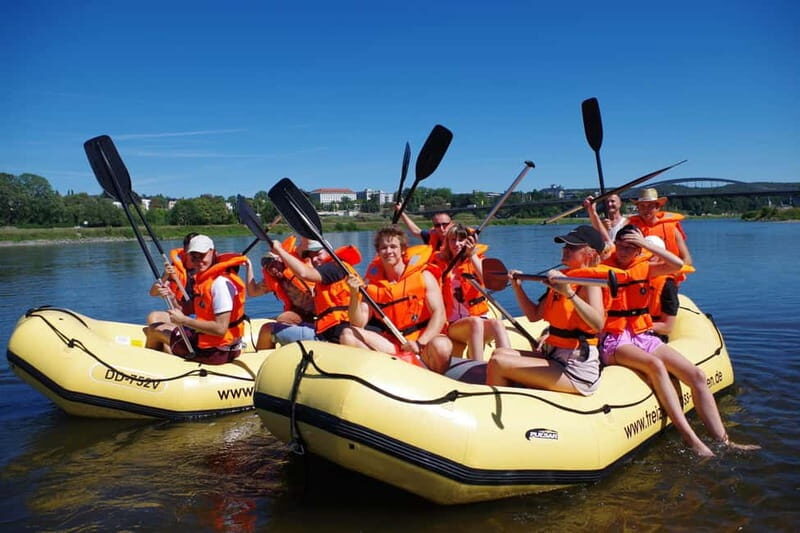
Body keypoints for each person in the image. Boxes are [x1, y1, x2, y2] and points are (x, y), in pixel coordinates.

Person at [601, 224, 759, 456]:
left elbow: (678, 265)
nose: (624, 252)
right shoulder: (603, 269)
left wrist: (644, 243)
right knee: (655, 365)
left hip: (642, 335)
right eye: (621, 246)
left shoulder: (645, 267)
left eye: (631, 248)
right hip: (615, 339)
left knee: (696, 375)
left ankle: (724, 440)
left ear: (638, 251)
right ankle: (692, 440)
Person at [486, 225, 608, 396]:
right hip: (554, 355)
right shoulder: (561, 278)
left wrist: (569, 293)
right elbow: (533, 316)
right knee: (499, 353)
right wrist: (517, 287)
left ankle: (503, 408)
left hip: (575, 368)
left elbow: (598, 324)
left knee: (499, 362)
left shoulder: (590, 283)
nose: (565, 249)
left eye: (572, 247)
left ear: (591, 254)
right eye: (565, 245)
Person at [339, 225, 453, 373]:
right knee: (348, 334)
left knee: (442, 346)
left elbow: (440, 314)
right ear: (379, 252)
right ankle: (386, 376)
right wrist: (354, 295)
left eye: (393, 246)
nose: (388, 251)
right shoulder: (373, 284)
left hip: (423, 340)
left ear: (403, 249)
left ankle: (437, 382)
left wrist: (420, 343)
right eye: (384, 248)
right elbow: (357, 323)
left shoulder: (423, 276)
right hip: (393, 343)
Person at [146, 235, 249, 365]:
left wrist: (184, 320)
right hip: (219, 346)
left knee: (155, 330)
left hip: (214, 353)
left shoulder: (219, 284)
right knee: (162, 324)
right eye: (194, 257)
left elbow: (220, 329)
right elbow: (190, 309)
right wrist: (172, 298)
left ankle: (150, 369)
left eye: (202, 255)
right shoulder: (206, 280)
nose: (198, 261)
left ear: (213, 253)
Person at [431, 223, 510, 360]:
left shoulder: (477, 260)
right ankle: (476, 367)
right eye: (453, 240)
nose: (457, 244)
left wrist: (472, 254)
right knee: (475, 322)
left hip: (478, 318)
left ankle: (509, 363)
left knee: (497, 323)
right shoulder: (440, 263)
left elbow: (486, 281)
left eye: (461, 239)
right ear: (447, 242)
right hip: (454, 323)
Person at [269, 239, 360, 344]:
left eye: (318, 254)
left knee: (269, 329)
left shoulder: (334, 267)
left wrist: (280, 251)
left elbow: (303, 273)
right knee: (285, 319)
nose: (314, 259)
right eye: (311, 257)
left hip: (331, 335)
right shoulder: (332, 270)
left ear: (329, 251)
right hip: (330, 330)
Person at [245, 241, 317, 350]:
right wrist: (248, 266)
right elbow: (252, 292)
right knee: (283, 318)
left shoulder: (300, 269)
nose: (273, 270)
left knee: (282, 318)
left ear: (281, 260)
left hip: (318, 312)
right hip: (301, 313)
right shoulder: (274, 281)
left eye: (274, 265)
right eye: (269, 269)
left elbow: (305, 245)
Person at [144, 232, 197, 349]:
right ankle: (161, 347)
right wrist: (165, 277)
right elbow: (153, 292)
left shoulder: (204, 269)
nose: (194, 255)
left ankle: (169, 350)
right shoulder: (175, 269)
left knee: (167, 344)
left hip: (197, 319)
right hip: (180, 314)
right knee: (153, 317)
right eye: (191, 251)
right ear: (185, 250)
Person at [628, 188, 692, 266]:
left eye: (650, 206)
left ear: (657, 207)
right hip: (640, 275)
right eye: (642, 206)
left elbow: (687, 259)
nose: (646, 209)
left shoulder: (671, 228)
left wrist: (672, 271)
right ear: (638, 208)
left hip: (669, 274)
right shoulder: (631, 229)